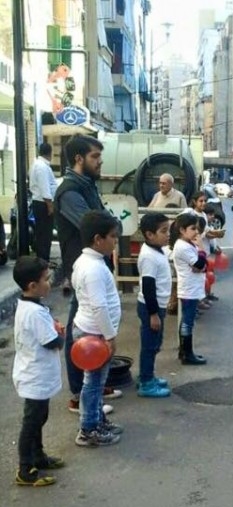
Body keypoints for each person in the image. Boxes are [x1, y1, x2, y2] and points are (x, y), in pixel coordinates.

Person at [53, 134, 122, 414]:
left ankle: (92, 381)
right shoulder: (70, 192)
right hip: (81, 267)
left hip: (93, 263)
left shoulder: (87, 185)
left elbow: (109, 223)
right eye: (95, 156)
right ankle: (79, 393)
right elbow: (95, 225)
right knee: (79, 329)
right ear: (79, 159)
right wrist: (110, 226)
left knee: (85, 325)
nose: (100, 161)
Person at [12, 256, 65, 487]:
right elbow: (53, 342)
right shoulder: (34, 312)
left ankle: (38, 456)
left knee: (39, 418)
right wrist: (60, 333)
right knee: (32, 423)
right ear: (32, 285)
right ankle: (25, 469)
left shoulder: (30, 306)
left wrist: (53, 328)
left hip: (35, 375)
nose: (49, 282)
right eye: (46, 279)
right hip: (35, 377)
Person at [72, 210, 123, 447]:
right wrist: (109, 337)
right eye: (112, 236)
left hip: (94, 332)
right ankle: (88, 429)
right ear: (97, 239)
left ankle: (97, 420)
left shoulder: (87, 262)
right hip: (95, 335)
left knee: (97, 383)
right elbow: (99, 306)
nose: (115, 241)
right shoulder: (93, 269)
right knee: (93, 384)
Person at [136, 213, 172, 398]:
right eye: (164, 231)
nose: (168, 234)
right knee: (150, 346)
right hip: (151, 307)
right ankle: (146, 382)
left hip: (158, 306)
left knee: (155, 344)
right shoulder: (149, 257)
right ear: (149, 235)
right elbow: (148, 287)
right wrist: (153, 314)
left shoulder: (157, 250)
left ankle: (147, 375)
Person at [170, 212, 208, 365]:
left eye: (197, 229)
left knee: (188, 320)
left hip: (193, 287)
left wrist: (200, 264)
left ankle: (185, 352)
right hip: (188, 289)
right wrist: (201, 249)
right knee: (187, 322)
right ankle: (187, 353)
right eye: (193, 229)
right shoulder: (182, 247)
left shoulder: (188, 244)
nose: (196, 232)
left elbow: (202, 267)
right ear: (182, 230)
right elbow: (199, 264)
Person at [29, 142, 58, 263]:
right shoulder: (41, 167)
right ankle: (43, 260)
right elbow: (44, 187)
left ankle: (43, 259)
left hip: (40, 203)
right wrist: (50, 206)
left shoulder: (38, 164)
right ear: (50, 153)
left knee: (42, 233)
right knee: (45, 234)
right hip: (43, 204)